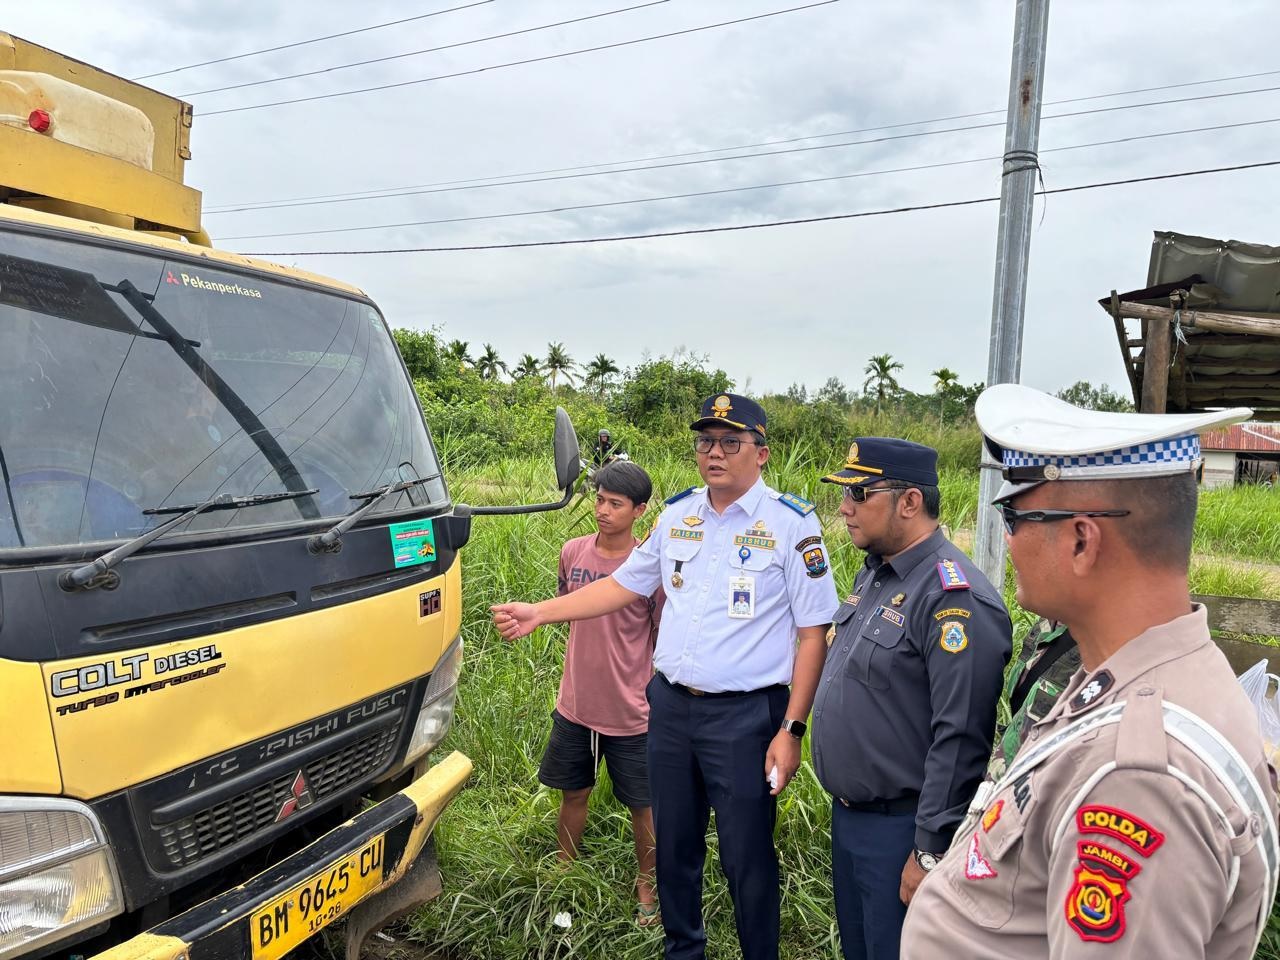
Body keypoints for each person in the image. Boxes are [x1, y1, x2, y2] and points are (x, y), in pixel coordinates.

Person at [901, 384, 1280, 958]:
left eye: (1013, 513)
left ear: (1081, 540)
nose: (1006, 536)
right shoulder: (1135, 673)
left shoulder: (1139, 778)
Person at [493, 393, 838, 960]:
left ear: (763, 454)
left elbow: (812, 635)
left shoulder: (792, 526)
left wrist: (791, 729)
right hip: (671, 710)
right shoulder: (679, 517)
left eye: (732, 442)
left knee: (745, 855)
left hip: (747, 717)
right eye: (706, 442)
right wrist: (539, 611)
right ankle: (684, 950)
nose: (716, 453)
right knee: (675, 847)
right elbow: (622, 585)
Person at [811, 437, 1012, 960]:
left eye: (860, 493)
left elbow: (962, 735)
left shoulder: (953, 597)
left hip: (903, 830)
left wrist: (929, 849)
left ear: (909, 502)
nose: (845, 507)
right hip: (852, 819)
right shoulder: (876, 571)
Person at [528, 461, 662, 924]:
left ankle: (647, 883)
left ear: (639, 510)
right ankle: (564, 869)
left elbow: (659, 635)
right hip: (576, 706)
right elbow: (568, 605)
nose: (603, 511)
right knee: (573, 793)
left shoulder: (649, 565)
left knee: (643, 806)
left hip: (631, 712)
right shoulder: (573, 551)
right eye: (599, 500)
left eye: (615, 504)